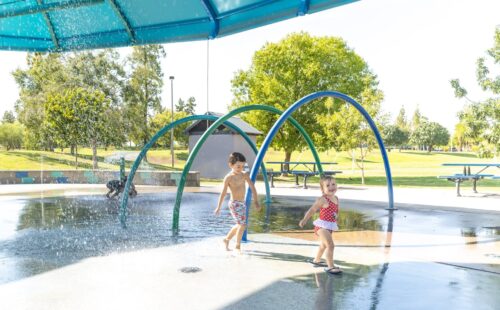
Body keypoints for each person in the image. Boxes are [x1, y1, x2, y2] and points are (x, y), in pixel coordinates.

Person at [214, 152, 261, 252]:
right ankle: (237, 245)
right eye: (238, 166)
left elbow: (252, 187)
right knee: (242, 225)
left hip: (242, 204)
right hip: (234, 204)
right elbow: (223, 193)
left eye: (242, 166)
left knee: (240, 224)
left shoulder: (244, 175)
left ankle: (226, 240)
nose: (241, 168)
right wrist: (218, 207)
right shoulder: (229, 178)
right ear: (231, 165)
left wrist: (256, 201)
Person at [299, 175, 342, 274]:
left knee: (323, 245)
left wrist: (337, 220)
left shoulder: (336, 198)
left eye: (333, 184)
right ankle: (330, 267)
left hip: (330, 226)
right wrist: (304, 219)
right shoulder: (323, 199)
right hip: (321, 226)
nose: (331, 187)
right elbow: (312, 209)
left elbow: (336, 212)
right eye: (328, 185)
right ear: (322, 189)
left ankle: (316, 260)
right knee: (330, 245)